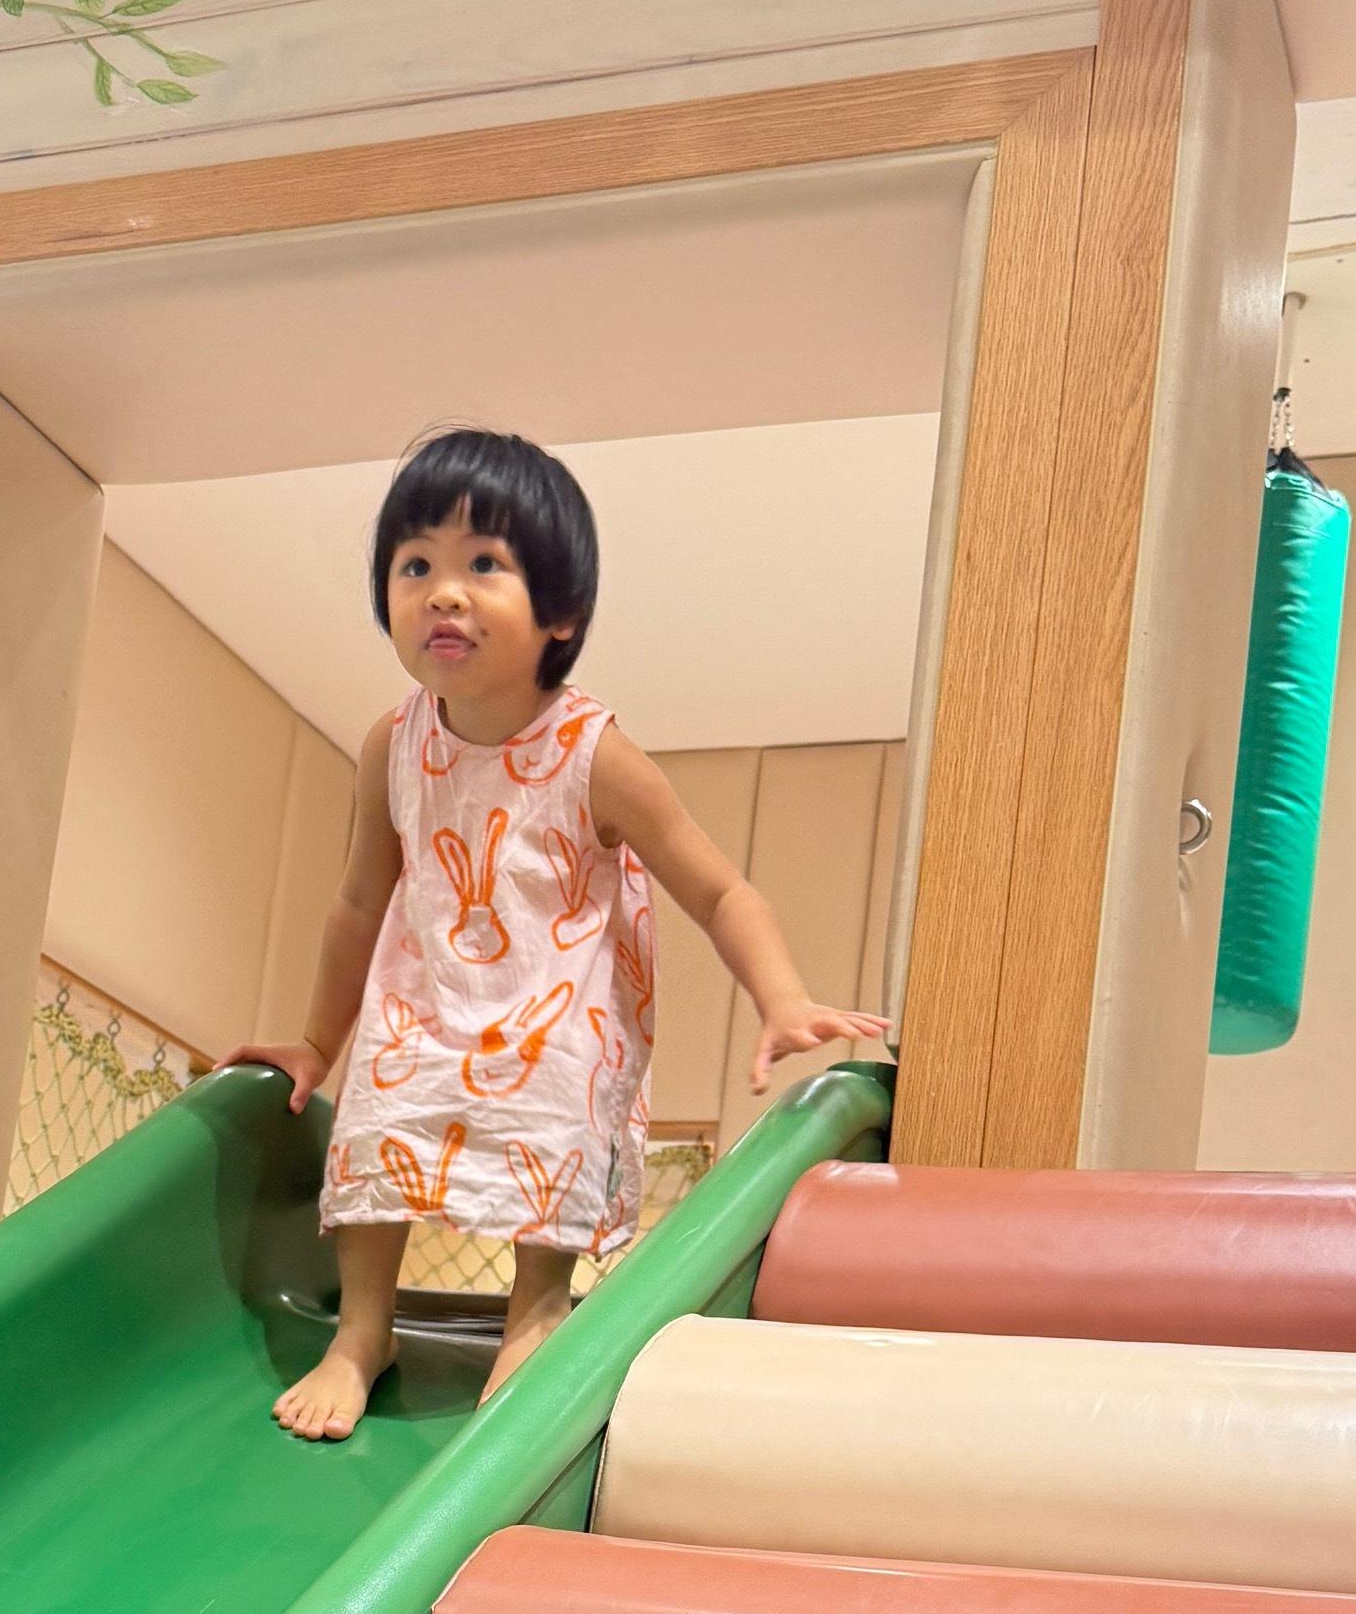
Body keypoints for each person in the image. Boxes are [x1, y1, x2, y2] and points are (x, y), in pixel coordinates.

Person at [225, 429, 884, 1441]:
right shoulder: (392, 745)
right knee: (379, 1117)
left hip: (558, 1006)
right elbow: (359, 901)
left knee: (552, 1110)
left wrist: (782, 996)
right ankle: (362, 1332)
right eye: (415, 566)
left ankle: (535, 1309)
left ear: (560, 614)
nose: (443, 593)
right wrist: (319, 1042)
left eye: (483, 564)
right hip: (430, 997)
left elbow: (719, 890)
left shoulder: (593, 754)